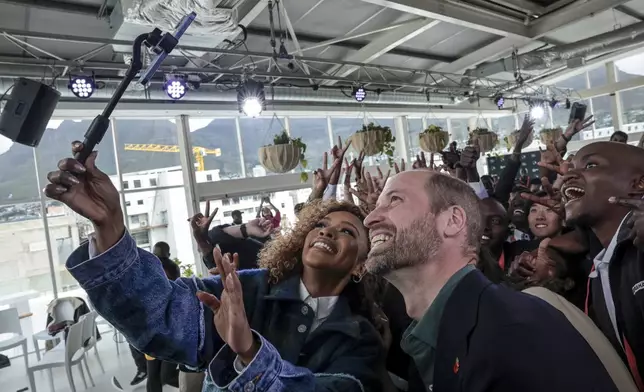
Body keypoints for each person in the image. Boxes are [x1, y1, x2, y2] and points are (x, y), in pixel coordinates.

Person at [44, 143, 387, 392]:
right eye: (321, 224)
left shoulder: (361, 339)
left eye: (347, 231)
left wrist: (250, 353)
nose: (328, 230)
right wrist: (110, 226)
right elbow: (158, 314)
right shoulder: (243, 291)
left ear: (360, 265)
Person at [362, 169, 619, 391]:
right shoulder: (438, 337)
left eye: (394, 200)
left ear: (452, 221)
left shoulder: (512, 335)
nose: (370, 218)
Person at [543, 141, 644, 390]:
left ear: (639, 184)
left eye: (590, 165)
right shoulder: (603, 260)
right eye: (571, 167)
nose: (568, 175)